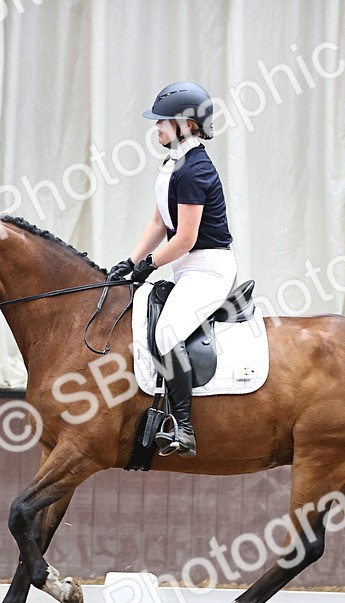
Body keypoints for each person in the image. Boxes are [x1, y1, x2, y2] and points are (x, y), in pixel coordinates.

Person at [108, 81, 236, 458]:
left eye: (163, 121)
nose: (157, 127)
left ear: (187, 125)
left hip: (209, 268)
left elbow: (185, 239)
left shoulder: (195, 170)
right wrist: (130, 261)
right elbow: (158, 223)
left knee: (166, 332)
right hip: (186, 267)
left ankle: (184, 427)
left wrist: (149, 266)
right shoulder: (172, 164)